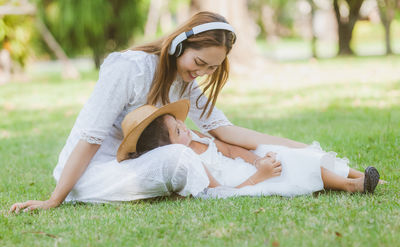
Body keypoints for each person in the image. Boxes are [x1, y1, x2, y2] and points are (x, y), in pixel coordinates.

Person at [9, 11, 375, 213]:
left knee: (262, 153)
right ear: (179, 44)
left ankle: (349, 176)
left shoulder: (184, 81)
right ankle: (236, 191)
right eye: (199, 62)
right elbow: (90, 137)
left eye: (211, 69)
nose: (201, 73)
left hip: (138, 164)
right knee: (180, 157)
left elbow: (225, 131)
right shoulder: (128, 67)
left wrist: (293, 146)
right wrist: (54, 199)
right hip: (94, 173)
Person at [115, 99, 380, 198]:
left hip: (246, 167)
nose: (184, 128)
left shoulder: (194, 137)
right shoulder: (188, 163)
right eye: (176, 132)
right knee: (289, 166)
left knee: (285, 153)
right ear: (167, 150)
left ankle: (356, 176)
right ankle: (351, 186)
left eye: (178, 123)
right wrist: (258, 176)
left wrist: (256, 160)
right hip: (241, 181)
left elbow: (229, 150)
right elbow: (218, 193)